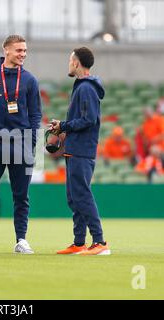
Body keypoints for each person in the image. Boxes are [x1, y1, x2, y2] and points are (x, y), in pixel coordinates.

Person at [0, 35, 42, 254]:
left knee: (21, 196)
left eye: (25, 50)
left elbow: (35, 114)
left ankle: (21, 240)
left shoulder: (30, 80)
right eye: (18, 50)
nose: (23, 54)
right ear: (6, 50)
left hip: (21, 144)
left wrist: (31, 141)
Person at [50, 47, 110, 255]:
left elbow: (88, 120)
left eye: (70, 60)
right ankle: (79, 242)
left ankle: (100, 242)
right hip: (76, 148)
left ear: (76, 62)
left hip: (82, 150)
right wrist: (63, 127)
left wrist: (64, 126)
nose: (69, 63)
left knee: (82, 195)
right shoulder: (83, 87)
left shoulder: (85, 88)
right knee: (74, 197)